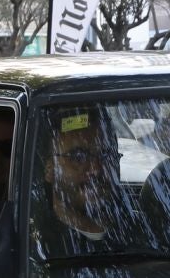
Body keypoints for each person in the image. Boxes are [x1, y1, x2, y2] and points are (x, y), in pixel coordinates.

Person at [31, 108, 127, 262]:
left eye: (106, 154)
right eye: (78, 156)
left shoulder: (144, 231)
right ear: (50, 170)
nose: (96, 169)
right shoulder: (37, 250)